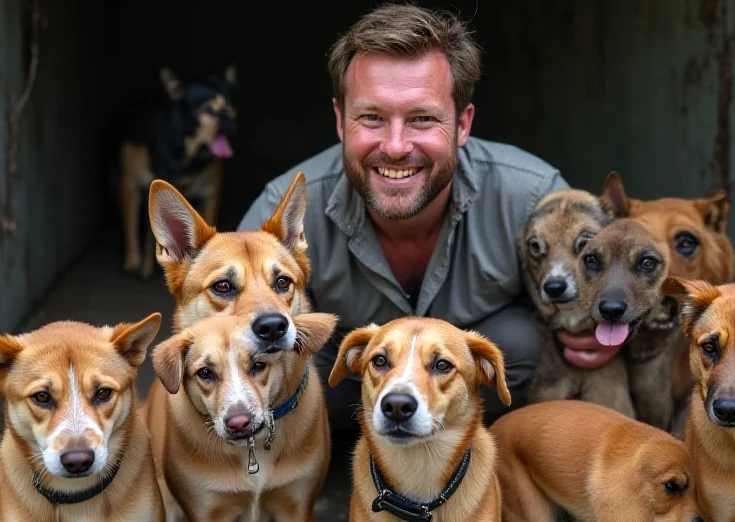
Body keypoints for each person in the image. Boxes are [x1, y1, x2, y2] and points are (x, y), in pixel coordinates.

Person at [237, 3, 620, 431]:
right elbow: (217, 333)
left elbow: (618, 283)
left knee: (523, 341)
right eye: (372, 117)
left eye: (422, 118)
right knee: (278, 357)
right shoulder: (283, 209)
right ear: (341, 121)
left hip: (478, 396)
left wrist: (606, 331)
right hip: (340, 394)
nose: (397, 146)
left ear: (462, 125)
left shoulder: (535, 196)